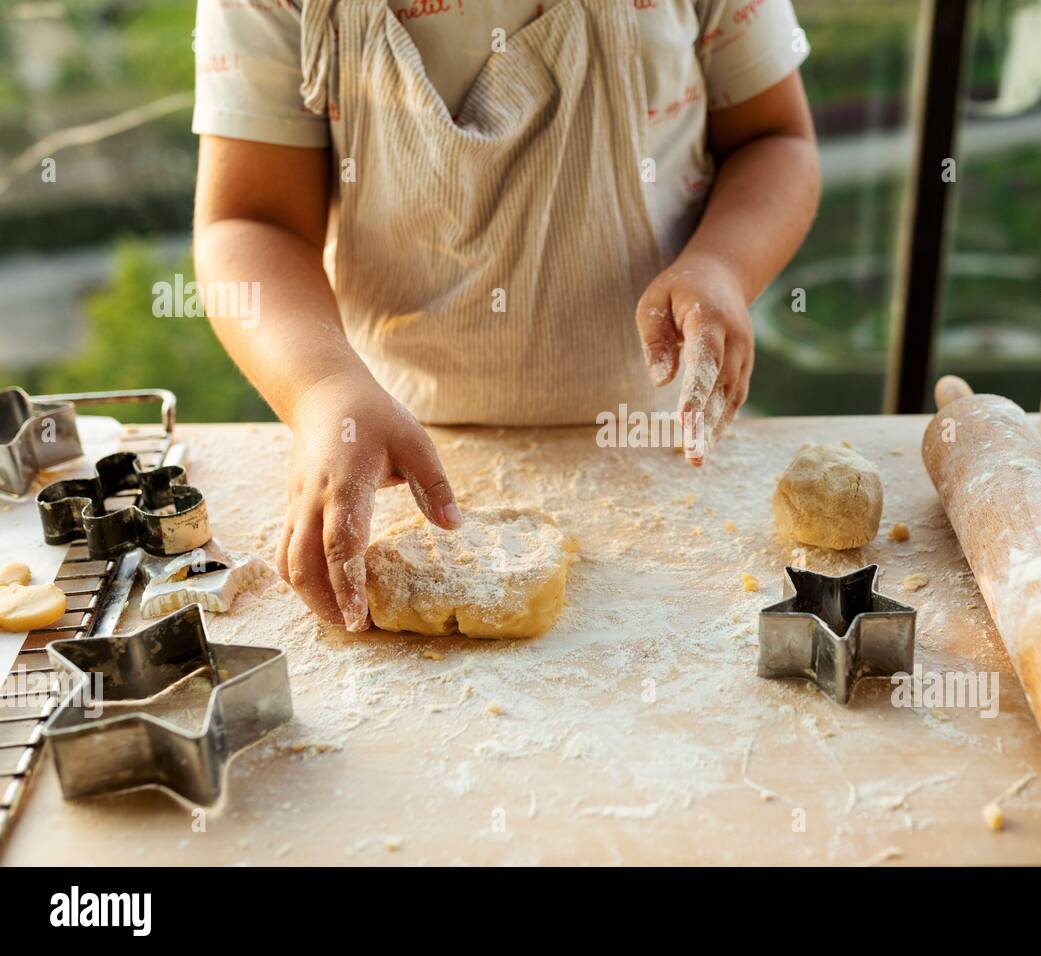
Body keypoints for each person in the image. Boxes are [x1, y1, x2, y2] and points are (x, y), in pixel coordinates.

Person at [192, 0, 821, 631]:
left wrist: (722, 266)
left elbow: (774, 140)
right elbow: (251, 220)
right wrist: (321, 389)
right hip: (384, 460)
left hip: (658, 447)